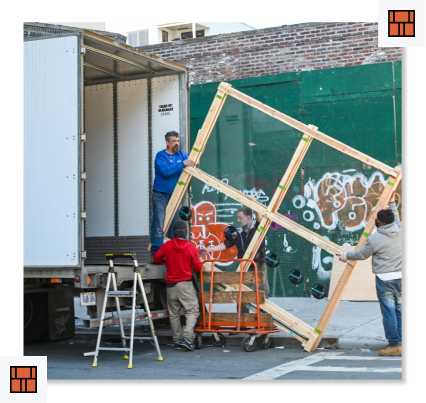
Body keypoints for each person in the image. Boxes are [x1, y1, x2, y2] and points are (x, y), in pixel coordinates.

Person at [337, 192, 402, 356]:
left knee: (389, 313)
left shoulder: (375, 238)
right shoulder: (400, 229)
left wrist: (345, 255)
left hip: (385, 279)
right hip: (400, 277)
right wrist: (392, 202)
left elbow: (361, 255)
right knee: (400, 310)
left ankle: (395, 344)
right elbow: (395, 217)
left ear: (380, 222)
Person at [199, 196, 269, 313]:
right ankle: (241, 321)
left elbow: (259, 216)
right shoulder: (238, 232)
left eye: (240, 218)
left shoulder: (258, 228)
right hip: (245, 266)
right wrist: (208, 250)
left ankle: (263, 319)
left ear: (248, 218)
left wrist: (254, 202)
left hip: (258, 265)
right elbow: (225, 244)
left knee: (262, 292)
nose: (238, 220)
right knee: (242, 292)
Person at [152, 220, 202, 351]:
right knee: (192, 310)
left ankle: (177, 341)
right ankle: (187, 337)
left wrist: (166, 259)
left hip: (170, 286)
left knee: (174, 314)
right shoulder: (191, 247)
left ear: (174, 232)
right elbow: (197, 267)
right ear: (186, 232)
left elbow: (156, 258)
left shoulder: (167, 246)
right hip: (185, 284)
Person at [150, 131, 194, 262]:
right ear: (167, 142)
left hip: (175, 196)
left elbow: (193, 164)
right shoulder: (161, 156)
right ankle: (156, 255)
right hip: (160, 196)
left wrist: (197, 157)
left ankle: (172, 255)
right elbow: (165, 172)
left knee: (174, 226)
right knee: (159, 225)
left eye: (177, 141)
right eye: (173, 141)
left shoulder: (181, 155)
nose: (176, 143)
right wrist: (182, 164)